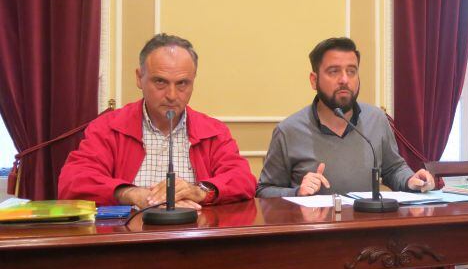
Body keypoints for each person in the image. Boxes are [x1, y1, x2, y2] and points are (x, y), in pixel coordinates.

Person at [59, 34, 256, 209]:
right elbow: (74, 182)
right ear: (139, 78)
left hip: (196, 238)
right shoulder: (108, 128)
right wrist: (131, 194)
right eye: (160, 82)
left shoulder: (213, 131)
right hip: (128, 238)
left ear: (193, 81)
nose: (172, 95)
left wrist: (198, 191)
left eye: (182, 84)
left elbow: (243, 179)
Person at [257, 37, 434, 197]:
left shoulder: (377, 119)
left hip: (366, 228)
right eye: (334, 71)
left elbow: (393, 169)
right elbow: (264, 190)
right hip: (314, 230)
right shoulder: (288, 131)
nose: (344, 79)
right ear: (313, 80)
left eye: (351, 71)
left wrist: (410, 180)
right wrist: (297, 192)